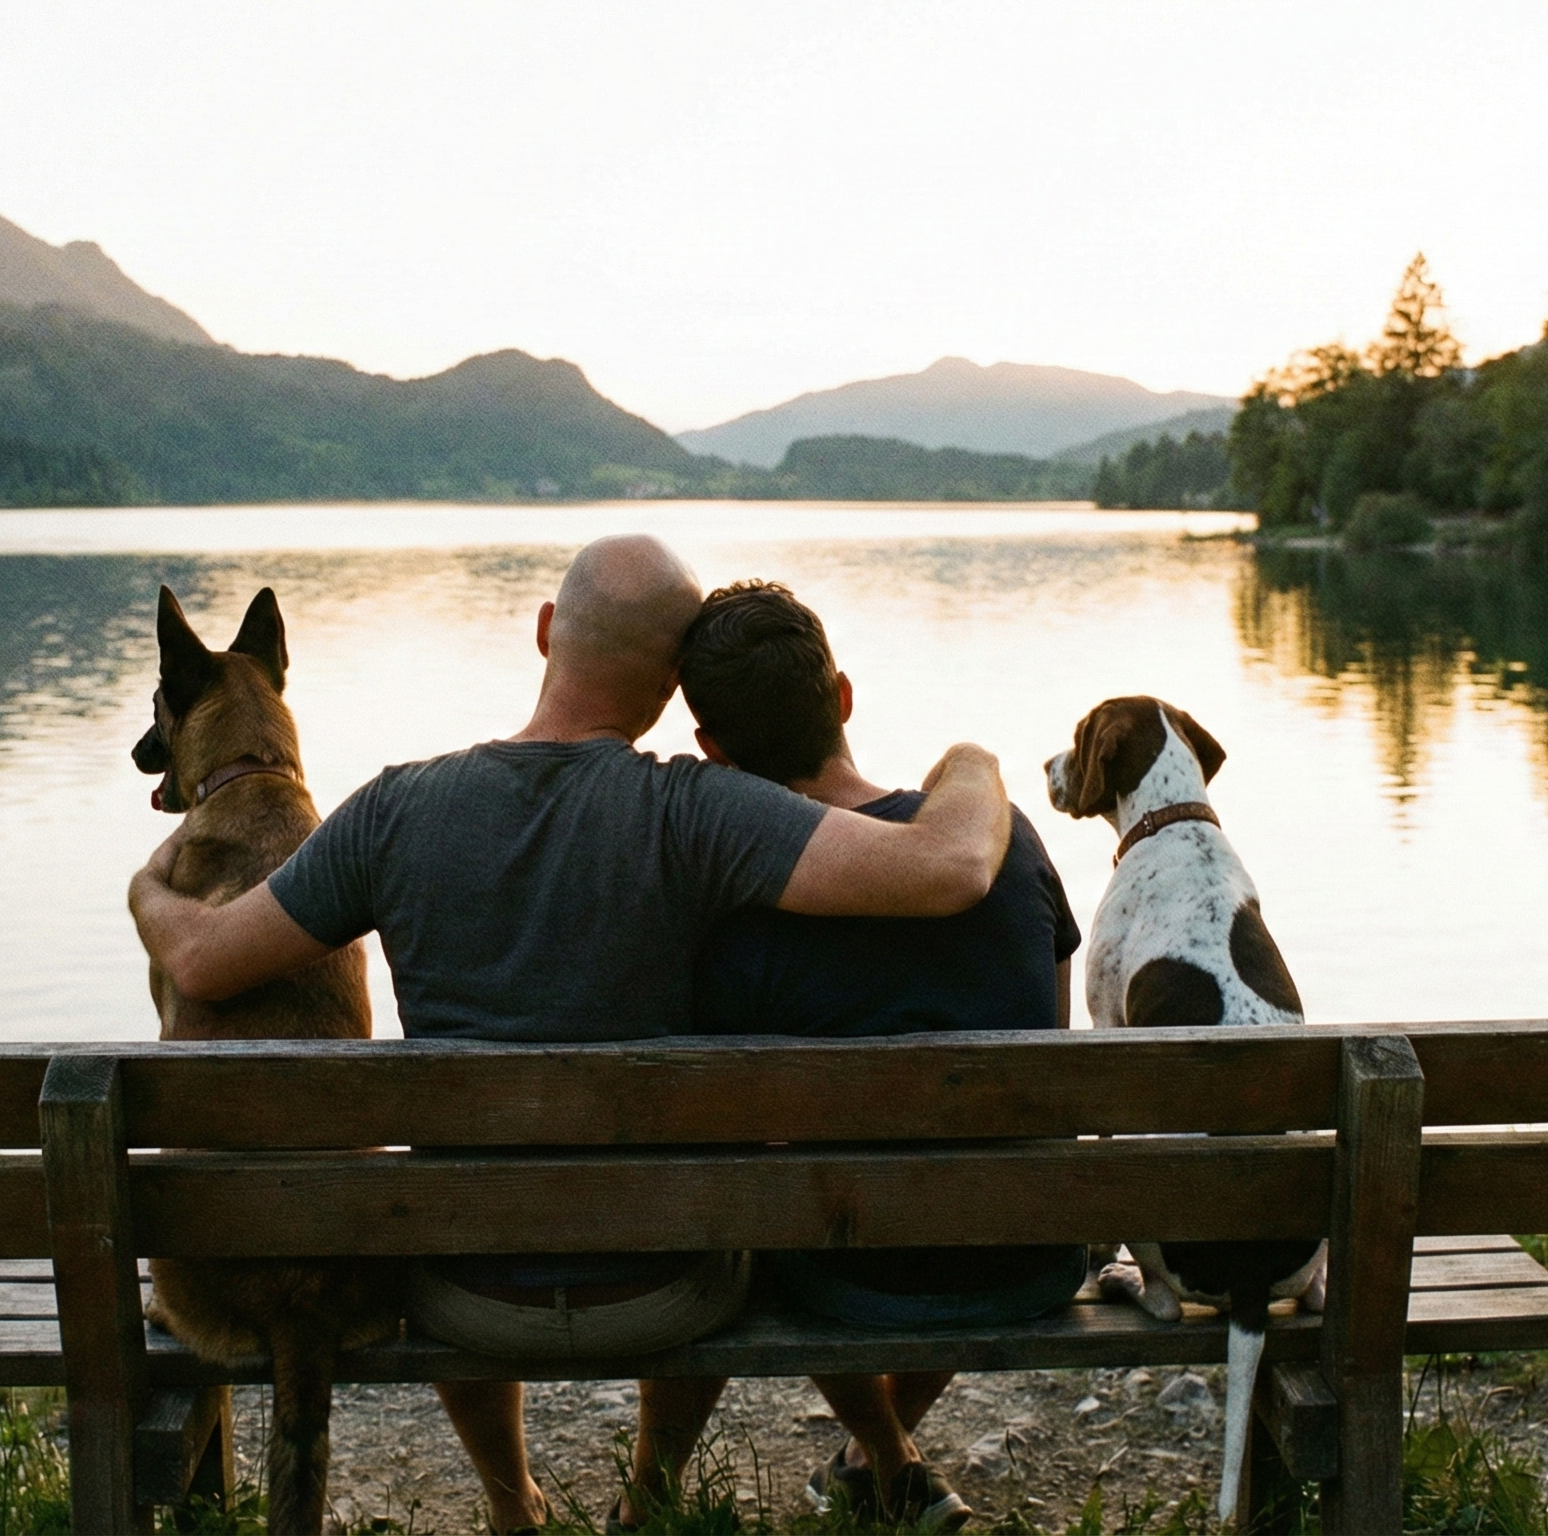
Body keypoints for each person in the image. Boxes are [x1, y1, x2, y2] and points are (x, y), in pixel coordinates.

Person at [129, 535, 1014, 1535]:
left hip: (465, 1291)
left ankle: (513, 1508)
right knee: (737, 1200)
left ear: (546, 630)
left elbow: (201, 962)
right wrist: (973, 761)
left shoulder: (390, 812)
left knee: (450, 1198)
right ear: (673, 683)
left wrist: (147, 887)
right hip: (668, 1289)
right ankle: (648, 1496)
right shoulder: (701, 810)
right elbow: (946, 868)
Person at [674, 580, 1084, 1532]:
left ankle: (882, 1456)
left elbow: (731, 1130)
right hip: (1031, 1253)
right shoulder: (1006, 841)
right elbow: (1047, 1074)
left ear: (714, 753)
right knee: (968, 1173)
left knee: (774, 1206)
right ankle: (880, 1457)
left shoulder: (745, 913)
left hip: (849, 1274)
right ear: (845, 697)